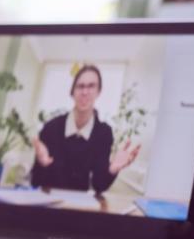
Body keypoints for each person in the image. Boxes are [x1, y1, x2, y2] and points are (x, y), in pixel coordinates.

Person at [29, 64, 140, 194]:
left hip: (79, 207)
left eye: (91, 86)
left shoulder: (103, 133)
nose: (85, 92)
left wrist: (112, 169)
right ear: (72, 92)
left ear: (99, 91)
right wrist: (41, 164)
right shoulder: (51, 127)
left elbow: (99, 185)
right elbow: (35, 181)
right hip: (48, 204)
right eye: (80, 86)